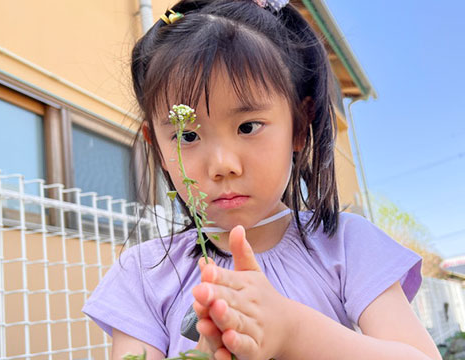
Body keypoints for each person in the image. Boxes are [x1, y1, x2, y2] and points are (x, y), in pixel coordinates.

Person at [82, 0, 442, 359]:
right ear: (157, 146)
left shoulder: (347, 246)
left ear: (299, 126)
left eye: (248, 127)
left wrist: (293, 331)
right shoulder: (143, 274)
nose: (222, 165)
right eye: (187, 136)